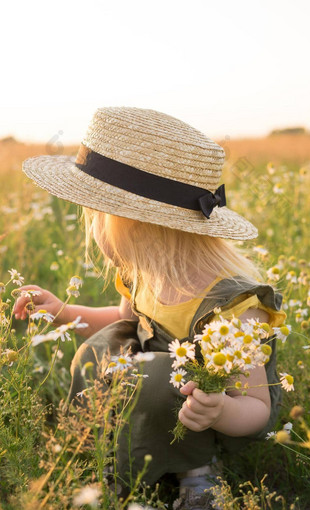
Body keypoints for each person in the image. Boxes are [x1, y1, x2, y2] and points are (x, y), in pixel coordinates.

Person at [16, 107, 286, 509]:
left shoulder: (235, 306)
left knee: (161, 375)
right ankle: (108, 448)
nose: (92, 232)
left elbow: (257, 410)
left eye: (97, 219)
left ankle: (199, 476)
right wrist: (64, 312)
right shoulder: (143, 272)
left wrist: (219, 408)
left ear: (138, 228)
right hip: (158, 399)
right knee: (100, 350)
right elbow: (127, 322)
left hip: (211, 416)